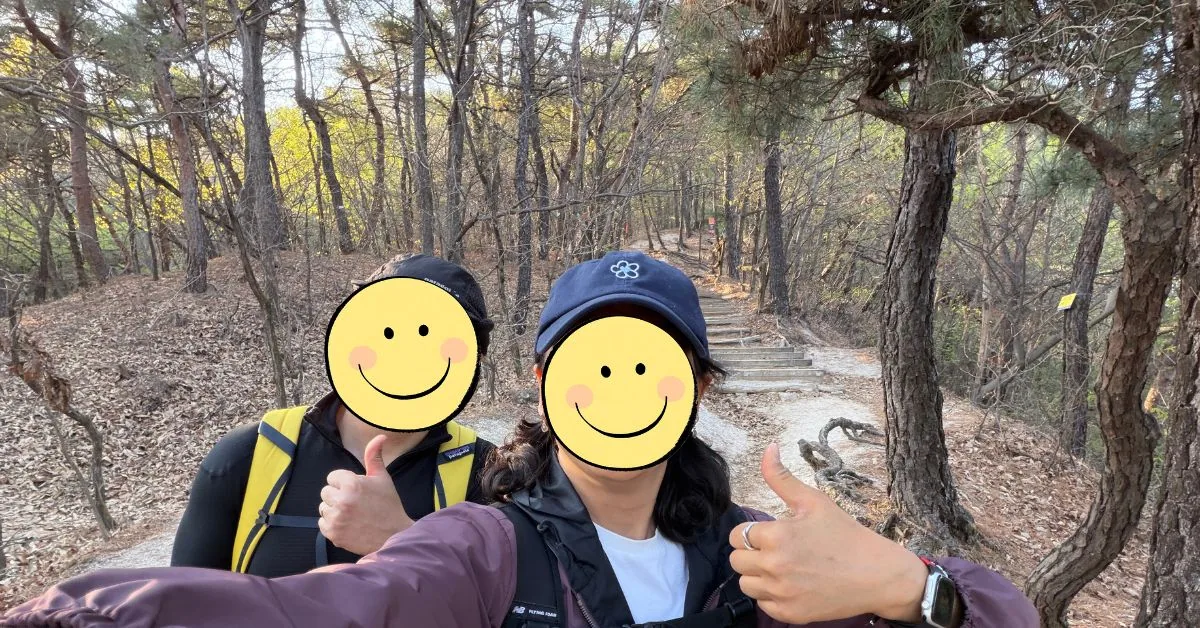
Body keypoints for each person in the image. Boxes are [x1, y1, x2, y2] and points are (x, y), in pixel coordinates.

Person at [3, 251, 1037, 628]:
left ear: (698, 388)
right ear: (541, 380)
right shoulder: (484, 546)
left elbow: (1002, 612)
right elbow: (312, 609)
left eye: (652, 362)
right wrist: (80, 611)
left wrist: (913, 586)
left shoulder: (766, 563)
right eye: (592, 358)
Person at [169, 253, 497, 577]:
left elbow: (498, 606)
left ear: (470, 364)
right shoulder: (250, 454)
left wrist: (398, 540)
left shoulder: (487, 475)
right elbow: (182, 606)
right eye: (388, 333)